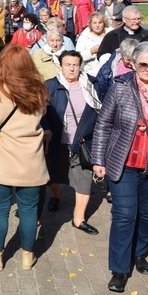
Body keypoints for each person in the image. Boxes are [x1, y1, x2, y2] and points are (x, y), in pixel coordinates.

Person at [91, 42, 148, 293]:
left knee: (147, 214)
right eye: (143, 64)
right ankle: (119, 269)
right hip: (124, 162)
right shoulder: (121, 88)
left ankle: (139, 252)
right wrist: (98, 160)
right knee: (124, 215)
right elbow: (103, 125)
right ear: (133, 63)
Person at [0, 44, 50, 272]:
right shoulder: (39, 90)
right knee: (29, 211)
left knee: (0, 209)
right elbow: (43, 113)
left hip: (0, 161)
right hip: (30, 162)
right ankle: (28, 256)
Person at [42, 50, 102, 235]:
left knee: (84, 178)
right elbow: (40, 111)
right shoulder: (51, 85)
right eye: (68, 64)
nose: (72, 68)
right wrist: (45, 127)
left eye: (75, 64)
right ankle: (56, 195)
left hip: (83, 141)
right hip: (56, 140)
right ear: (61, 66)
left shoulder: (91, 85)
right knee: (50, 175)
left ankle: (79, 219)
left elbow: (102, 111)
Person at [97, 38, 139, 103]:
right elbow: (101, 84)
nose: (131, 63)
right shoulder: (110, 66)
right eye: (128, 60)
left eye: (133, 60)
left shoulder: (141, 66)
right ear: (122, 54)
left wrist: (136, 69)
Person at [75, 12, 111, 77]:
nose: (97, 25)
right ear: (90, 24)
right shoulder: (84, 36)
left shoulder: (110, 35)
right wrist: (91, 51)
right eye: (94, 23)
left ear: (104, 23)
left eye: (100, 23)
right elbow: (77, 56)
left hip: (108, 71)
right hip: (89, 71)